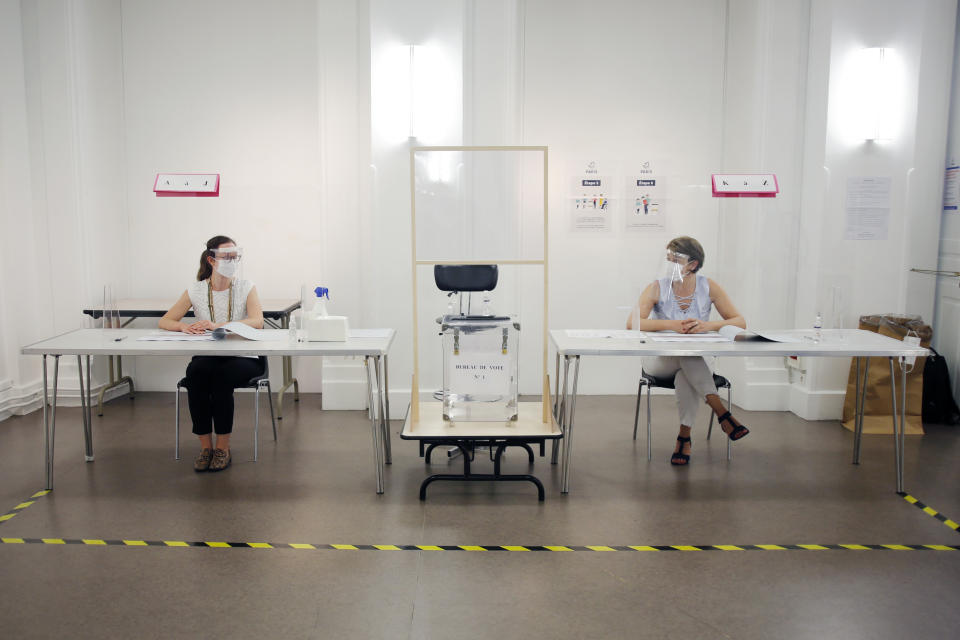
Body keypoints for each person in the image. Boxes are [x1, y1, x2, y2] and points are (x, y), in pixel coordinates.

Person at [626, 236, 749, 465]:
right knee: (687, 357)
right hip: (661, 361)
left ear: (692, 264)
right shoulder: (657, 287)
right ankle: (722, 412)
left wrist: (708, 326)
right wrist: (671, 325)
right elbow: (633, 323)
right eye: (668, 259)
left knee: (687, 370)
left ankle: (684, 437)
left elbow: (740, 321)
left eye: (675, 260)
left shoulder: (708, 286)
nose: (669, 264)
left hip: (695, 360)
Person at [159, 236, 265, 472]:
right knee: (196, 373)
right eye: (226, 256)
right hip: (207, 356)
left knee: (221, 377)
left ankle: (223, 448)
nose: (232, 261)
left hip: (243, 357)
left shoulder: (246, 287)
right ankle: (205, 447)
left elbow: (257, 321)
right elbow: (166, 320)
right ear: (211, 260)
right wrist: (183, 327)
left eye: (235, 256)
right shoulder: (196, 289)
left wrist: (218, 325)